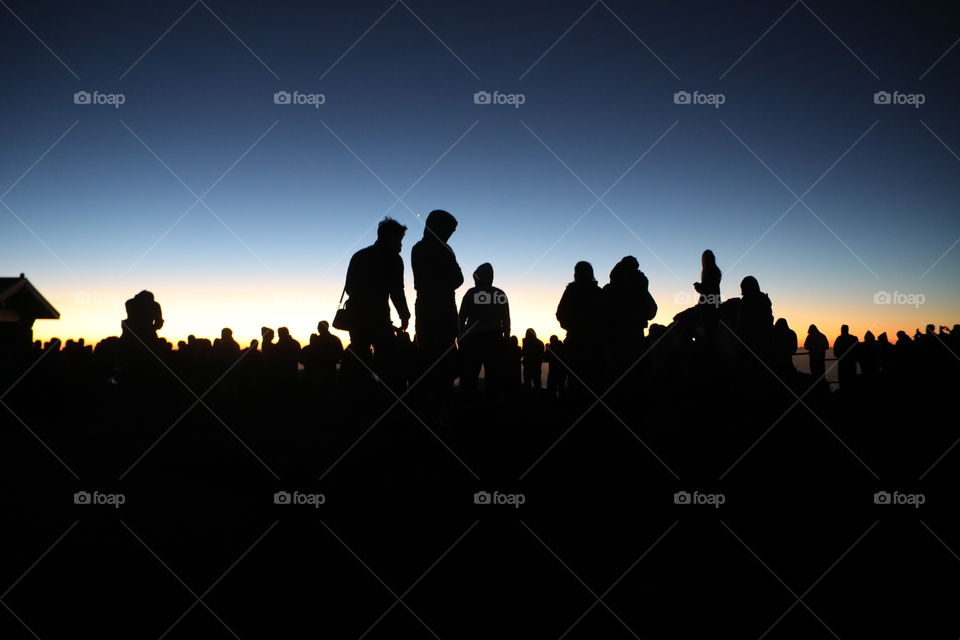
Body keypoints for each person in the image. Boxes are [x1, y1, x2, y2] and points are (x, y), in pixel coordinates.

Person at [342, 217, 411, 390]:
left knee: (360, 357)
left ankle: (359, 395)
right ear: (389, 237)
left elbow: (349, 288)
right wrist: (404, 315)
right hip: (379, 318)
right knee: (387, 361)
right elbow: (397, 291)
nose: (401, 245)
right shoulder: (394, 260)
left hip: (356, 318)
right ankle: (387, 398)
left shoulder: (359, 256)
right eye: (399, 240)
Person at [411, 209, 463, 396]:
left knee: (429, 354)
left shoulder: (418, 248)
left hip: (426, 308)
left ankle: (430, 400)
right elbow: (458, 279)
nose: (451, 234)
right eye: (450, 230)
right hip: (441, 309)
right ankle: (439, 401)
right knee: (442, 355)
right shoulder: (444, 250)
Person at [602, 256, 657, 384]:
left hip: (614, 340)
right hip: (631, 338)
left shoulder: (609, 289)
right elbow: (651, 312)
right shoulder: (638, 289)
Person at [457, 263, 510, 396]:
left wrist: (460, 336)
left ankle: (468, 404)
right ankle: (494, 405)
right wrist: (506, 339)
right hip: (495, 339)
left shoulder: (471, 293)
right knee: (494, 376)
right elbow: (506, 319)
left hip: (473, 340)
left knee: (470, 374)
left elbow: (461, 317)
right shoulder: (500, 293)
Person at [556, 261, 604, 396]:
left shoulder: (571, 291)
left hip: (577, 342)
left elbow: (560, 314)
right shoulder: (598, 292)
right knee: (593, 382)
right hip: (594, 344)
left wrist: (570, 326)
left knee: (576, 380)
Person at [833, 324, 859, 389]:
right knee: (851, 381)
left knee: (842, 381)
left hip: (842, 363)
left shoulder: (839, 339)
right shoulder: (853, 338)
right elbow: (857, 349)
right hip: (851, 364)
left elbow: (835, 352)